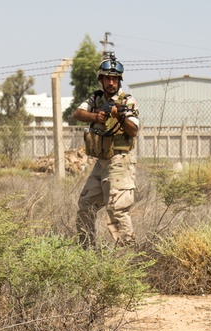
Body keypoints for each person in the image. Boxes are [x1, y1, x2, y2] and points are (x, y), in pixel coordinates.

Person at [73, 55, 139, 248]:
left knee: (117, 210)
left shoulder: (127, 101)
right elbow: (78, 113)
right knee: (85, 206)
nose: (111, 82)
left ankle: (130, 255)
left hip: (120, 160)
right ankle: (87, 251)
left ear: (119, 80)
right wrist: (97, 116)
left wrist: (120, 117)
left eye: (115, 78)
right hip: (101, 162)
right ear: (101, 80)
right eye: (108, 78)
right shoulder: (96, 98)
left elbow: (134, 130)